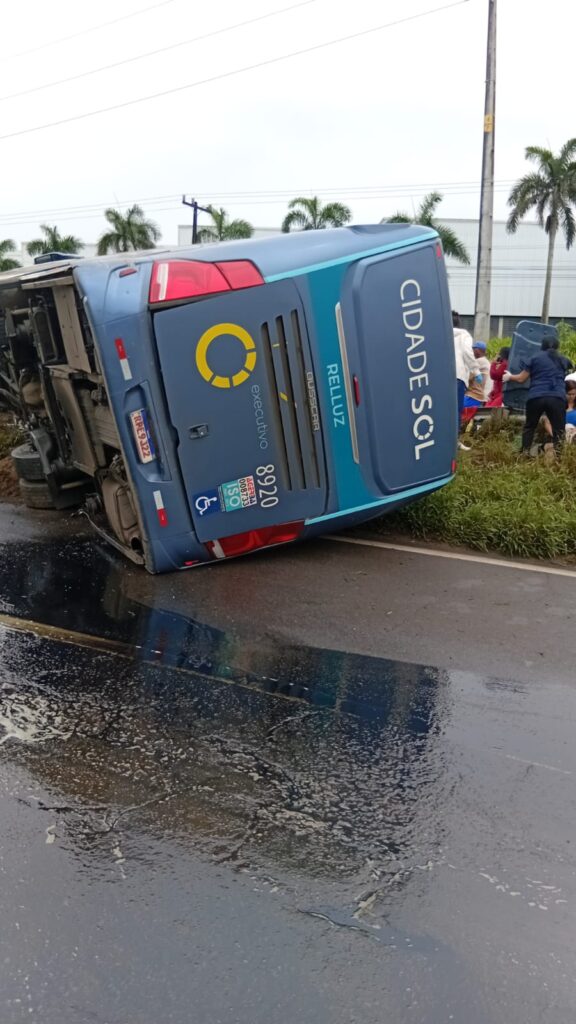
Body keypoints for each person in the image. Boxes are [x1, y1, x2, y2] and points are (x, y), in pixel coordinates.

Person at [503, 337, 573, 452]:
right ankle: (560, 458)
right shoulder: (563, 360)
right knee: (559, 430)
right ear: (557, 347)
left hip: (536, 397)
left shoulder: (534, 358)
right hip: (557, 398)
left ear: (542, 346)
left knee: (530, 427)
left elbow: (521, 379)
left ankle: (525, 454)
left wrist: (510, 376)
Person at [452, 311, 477, 450]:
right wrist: (476, 370)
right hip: (458, 376)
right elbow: (468, 353)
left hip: (440, 378)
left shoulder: (438, 334)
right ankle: (454, 442)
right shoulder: (464, 335)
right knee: (456, 410)